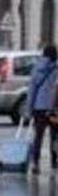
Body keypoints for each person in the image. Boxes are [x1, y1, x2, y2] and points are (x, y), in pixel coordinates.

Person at [25, 44, 58, 173]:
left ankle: (35, 163)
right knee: (55, 135)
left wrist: (29, 107)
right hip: (54, 109)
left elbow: (32, 89)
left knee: (38, 135)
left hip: (39, 109)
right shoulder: (56, 68)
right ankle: (54, 161)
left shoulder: (37, 68)